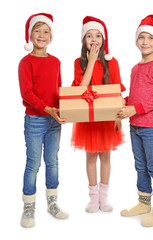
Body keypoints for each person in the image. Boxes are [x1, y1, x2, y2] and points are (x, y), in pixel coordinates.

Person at [118, 13, 153, 227]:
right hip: (135, 126)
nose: (145, 42)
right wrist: (123, 101)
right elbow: (137, 95)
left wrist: (134, 108)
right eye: (142, 38)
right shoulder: (135, 68)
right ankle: (144, 201)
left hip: (152, 126)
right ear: (136, 41)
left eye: (150, 38)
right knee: (140, 165)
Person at [71, 16, 126, 213]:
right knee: (91, 156)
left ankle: (104, 196)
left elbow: (118, 92)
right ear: (83, 40)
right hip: (88, 119)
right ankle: (93, 198)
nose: (94, 40)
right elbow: (79, 89)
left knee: (105, 155)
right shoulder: (79, 62)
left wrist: (118, 118)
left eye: (98, 36)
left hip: (107, 117)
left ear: (104, 39)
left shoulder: (113, 63)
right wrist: (92, 62)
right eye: (89, 36)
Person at [18, 13, 68, 228]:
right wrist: (47, 108)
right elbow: (26, 93)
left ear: (51, 36)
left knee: (53, 161)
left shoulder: (56, 61)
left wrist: (64, 109)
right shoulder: (25, 62)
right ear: (30, 36)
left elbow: (59, 90)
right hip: (35, 120)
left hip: (54, 120)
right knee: (33, 163)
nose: (41, 35)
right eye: (37, 30)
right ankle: (28, 207)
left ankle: (52, 203)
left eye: (46, 31)